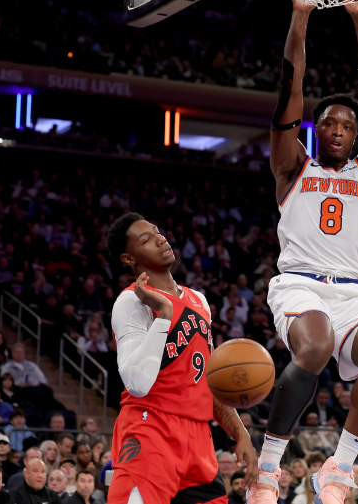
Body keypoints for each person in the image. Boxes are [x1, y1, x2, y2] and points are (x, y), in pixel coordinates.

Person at [248, 0, 358, 504]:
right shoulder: (293, 166)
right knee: (312, 347)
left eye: (347, 125)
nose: (337, 129)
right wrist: (300, 15)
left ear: (357, 136)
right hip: (298, 283)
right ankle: (269, 467)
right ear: (316, 132)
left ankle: (338, 466)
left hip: (352, 293)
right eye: (329, 123)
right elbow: (288, 91)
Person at [105, 212, 258, 504]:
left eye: (157, 231)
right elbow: (136, 382)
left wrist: (241, 433)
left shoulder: (199, 300)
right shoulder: (131, 301)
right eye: (146, 239)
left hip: (199, 437)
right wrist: (164, 314)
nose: (160, 238)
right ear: (129, 259)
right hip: (152, 428)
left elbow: (209, 381)